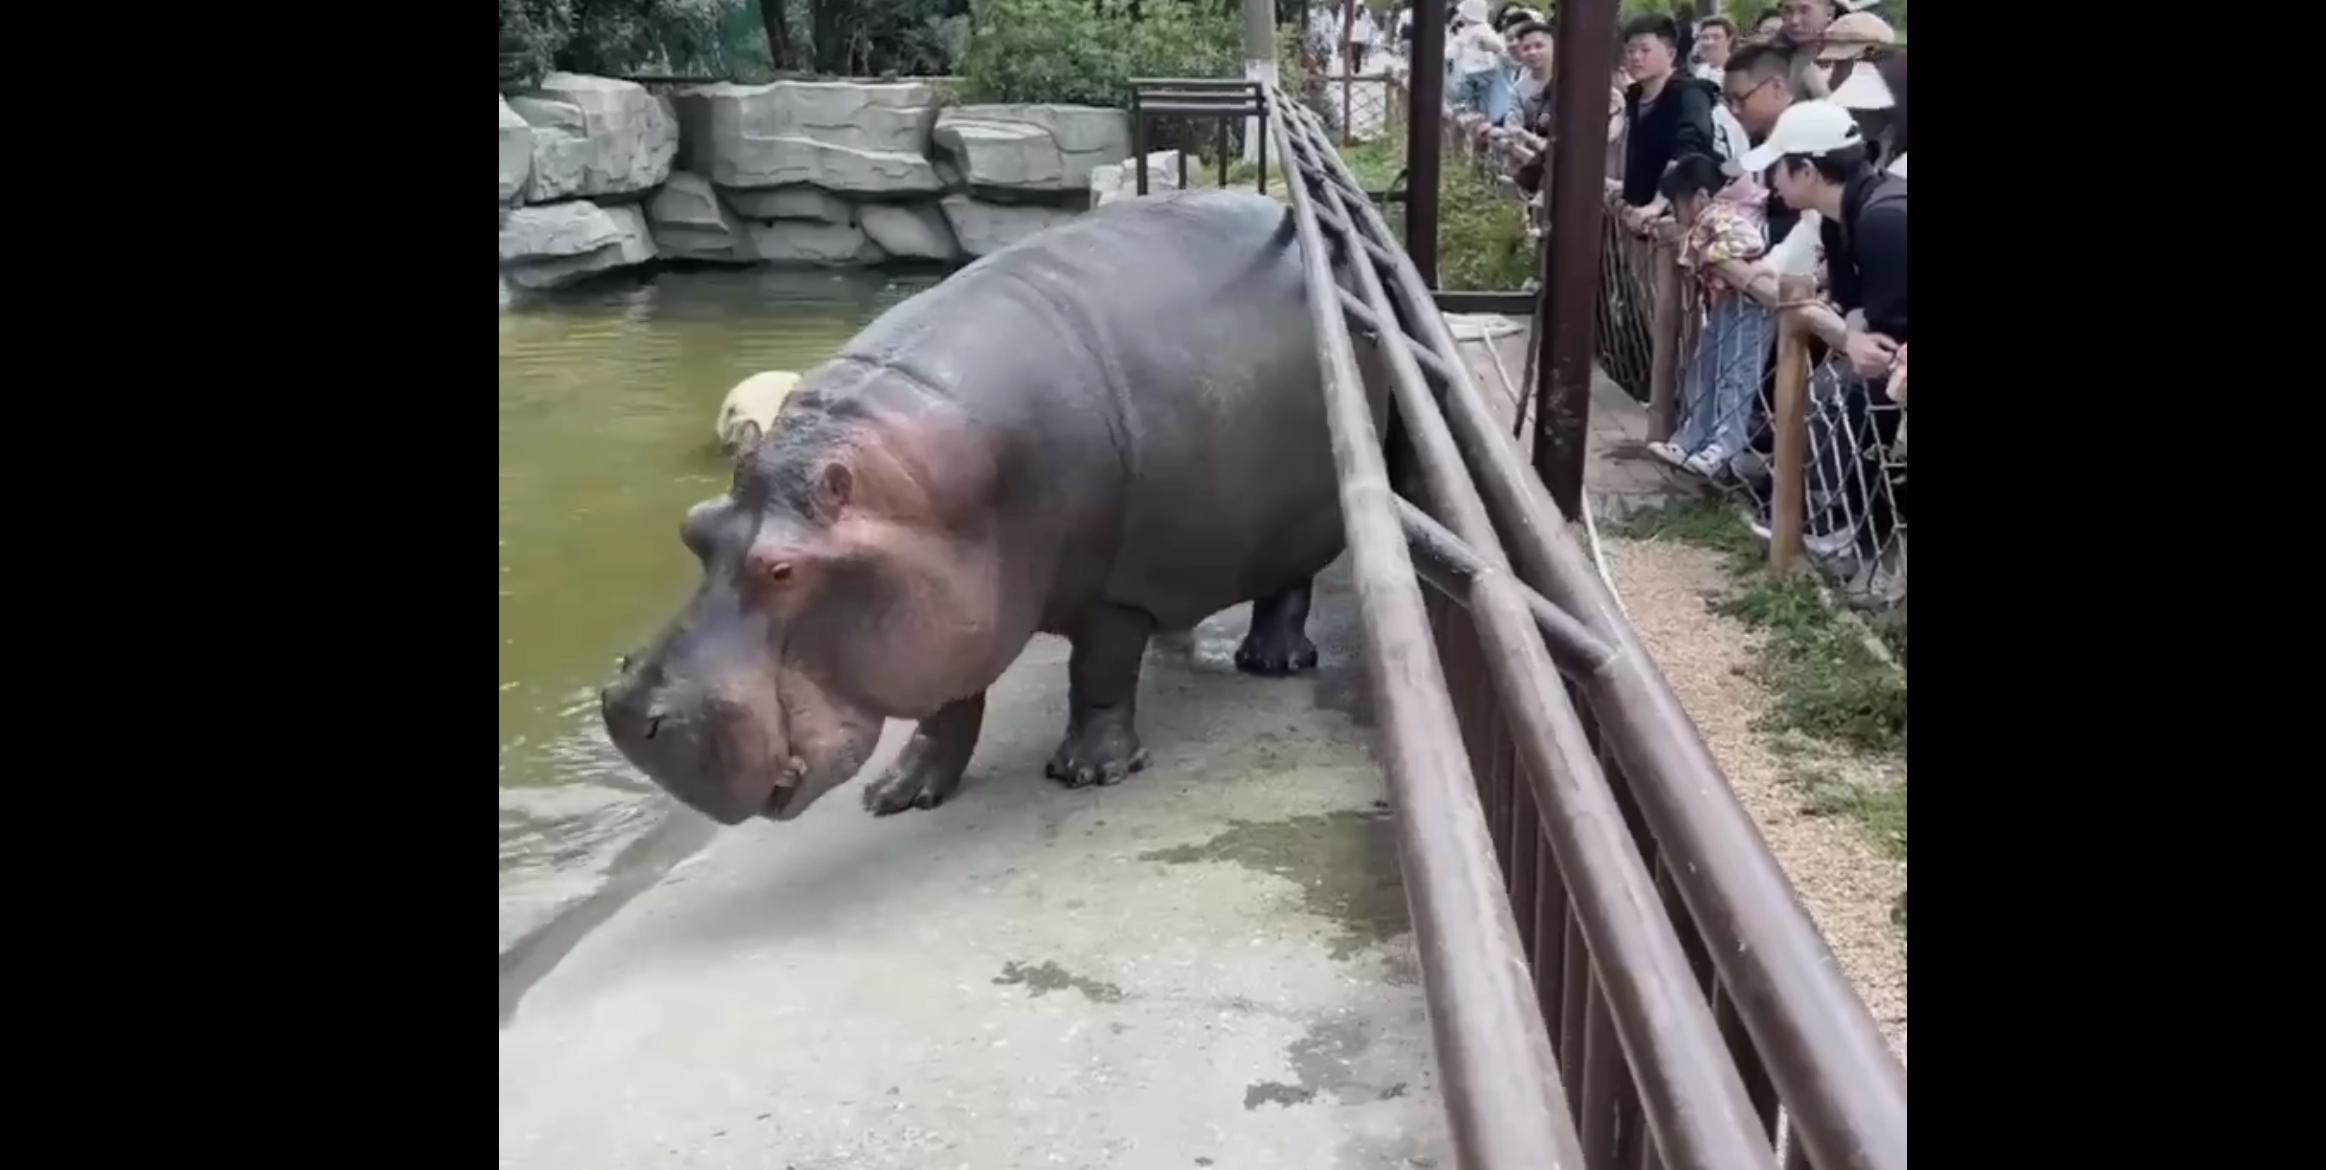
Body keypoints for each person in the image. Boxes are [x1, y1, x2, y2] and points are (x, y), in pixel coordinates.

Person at [1740, 100, 1906, 561]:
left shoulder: (1884, 218)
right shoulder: (1842, 216)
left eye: (1779, 168)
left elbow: (1885, 332)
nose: (1772, 180)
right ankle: (1843, 524)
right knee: (1837, 390)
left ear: (1808, 171)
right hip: (1890, 352)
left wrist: (1858, 337)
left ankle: (1863, 538)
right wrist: (1852, 334)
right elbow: (1856, 305)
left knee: (1844, 393)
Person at [1646, 153, 1778, 478]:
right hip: (1730, 301)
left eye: (1678, 204)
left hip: (1752, 306)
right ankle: (1693, 440)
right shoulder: (1714, 217)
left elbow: (1750, 243)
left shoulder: (1721, 216)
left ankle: (1724, 451)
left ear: (1701, 197)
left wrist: (1711, 256)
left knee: (1736, 375)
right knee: (1708, 366)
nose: (1676, 213)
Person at [1615, 15, 1719, 230]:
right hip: (1636, 213)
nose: (1635, 57)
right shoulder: (1633, 97)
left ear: (1671, 54)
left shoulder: (1690, 95)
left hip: (1677, 217)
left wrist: (1659, 203)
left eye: (1645, 50)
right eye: (1630, 50)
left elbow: (1691, 149)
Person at [1448, 0, 1516, 125]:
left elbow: (1452, 51)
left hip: (1482, 73)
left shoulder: (1479, 32)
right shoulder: (1486, 31)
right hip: (1475, 72)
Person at [1692, 16, 1738, 82]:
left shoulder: (1737, 72)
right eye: (1705, 37)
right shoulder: (1701, 71)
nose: (1709, 42)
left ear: (1729, 40)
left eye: (1716, 37)